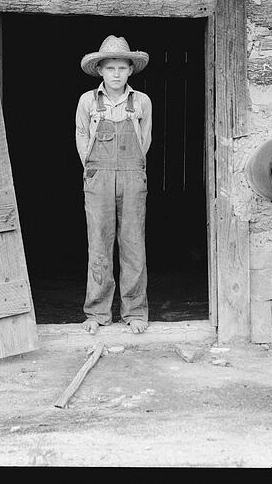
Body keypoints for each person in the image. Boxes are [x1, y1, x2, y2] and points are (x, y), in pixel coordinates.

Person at [75, 35, 152, 334]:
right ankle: (96, 312)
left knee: (133, 244)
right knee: (99, 244)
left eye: (122, 67)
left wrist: (130, 170)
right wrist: (94, 170)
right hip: (99, 178)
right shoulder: (87, 101)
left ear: (131, 70)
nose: (117, 73)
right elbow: (82, 136)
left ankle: (134, 312)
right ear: (100, 71)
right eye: (111, 68)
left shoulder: (142, 101)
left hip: (132, 176)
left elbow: (145, 141)